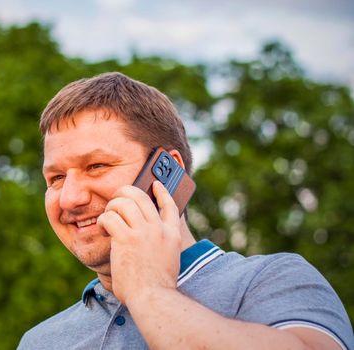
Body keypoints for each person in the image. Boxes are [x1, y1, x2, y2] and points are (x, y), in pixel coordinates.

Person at [18, 72, 353, 349]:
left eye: (96, 166)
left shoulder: (275, 280)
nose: (69, 199)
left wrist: (149, 292)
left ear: (167, 170)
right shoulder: (38, 342)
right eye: (57, 177)